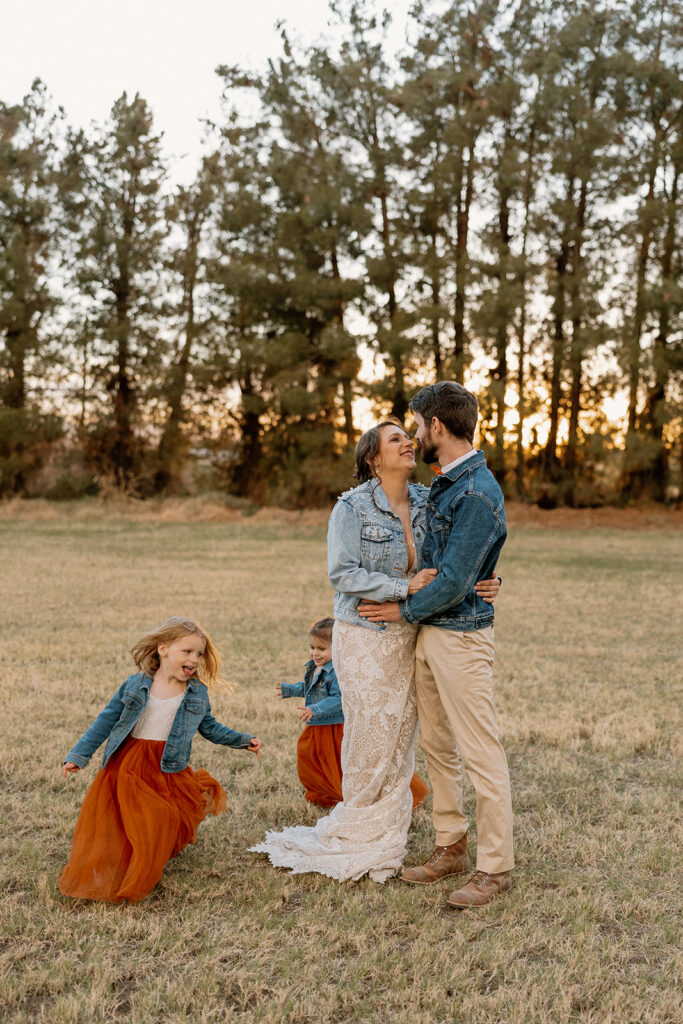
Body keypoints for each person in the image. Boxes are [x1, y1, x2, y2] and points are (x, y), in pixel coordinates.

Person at [251, 420, 499, 882]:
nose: (408, 442)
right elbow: (341, 573)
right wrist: (400, 586)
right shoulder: (352, 506)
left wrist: (492, 579)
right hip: (364, 635)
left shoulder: (430, 499)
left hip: (410, 633)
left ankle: (388, 829)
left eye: (409, 435)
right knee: (369, 733)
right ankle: (361, 826)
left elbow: (461, 554)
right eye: (395, 439)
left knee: (401, 736)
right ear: (372, 457)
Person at [358, 382, 514, 908]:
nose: (416, 434)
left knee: (480, 751)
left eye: (418, 425)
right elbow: (463, 561)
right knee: (438, 748)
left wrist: (401, 608)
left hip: (462, 639)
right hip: (432, 636)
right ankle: (451, 845)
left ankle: (495, 868)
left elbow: (451, 581)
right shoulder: (446, 483)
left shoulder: (476, 492)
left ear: (438, 427)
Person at [59, 616, 261, 903]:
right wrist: (79, 755)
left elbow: (210, 728)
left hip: (169, 766)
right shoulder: (135, 685)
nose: (194, 659)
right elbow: (104, 722)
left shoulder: (196, 693)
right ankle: (130, 865)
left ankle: (152, 854)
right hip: (129, 764)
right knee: (131, 818)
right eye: (187, 651)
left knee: (166, 818)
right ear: (163, 650)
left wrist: (242, 740)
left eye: (199, 654)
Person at [278, 617, 429, 810]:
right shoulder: (318, 667)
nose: (315, 653)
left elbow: (338, 698)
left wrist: (316, 709)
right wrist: (291, 690)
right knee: (308, 753)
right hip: (318, 724)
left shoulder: (338, 671)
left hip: (334, 725)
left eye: (321, 649)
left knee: (336, 761)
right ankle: (323, 789)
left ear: (338, 647)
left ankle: (341, 791)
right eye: (312, 647)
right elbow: (311, 688)